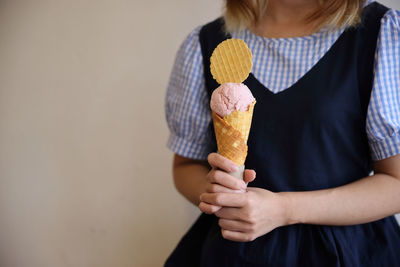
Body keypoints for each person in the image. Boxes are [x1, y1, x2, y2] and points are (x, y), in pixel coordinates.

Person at [164, 0, 400, 266]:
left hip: (347, 251)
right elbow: (185, 165)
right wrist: (214, 193)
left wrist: (284, 209)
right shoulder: (206, 43)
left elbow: (396, 182)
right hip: (235, 250)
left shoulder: (383, 34)